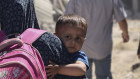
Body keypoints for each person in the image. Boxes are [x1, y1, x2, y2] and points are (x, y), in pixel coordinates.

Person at [65, 0, 129, 79]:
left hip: (80, 47)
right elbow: (121, 19)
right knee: (104, 76)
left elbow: (66, 22)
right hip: (102, 48)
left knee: (83, 75)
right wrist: (125, 33)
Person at [32, 14, 89, 79]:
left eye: (78, 38)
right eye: (68, 37)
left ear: (84, 40)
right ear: (56, 37)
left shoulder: (78, 55)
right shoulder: (53, 53)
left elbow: (81, 69)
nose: (73, 42)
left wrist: (58, 69)